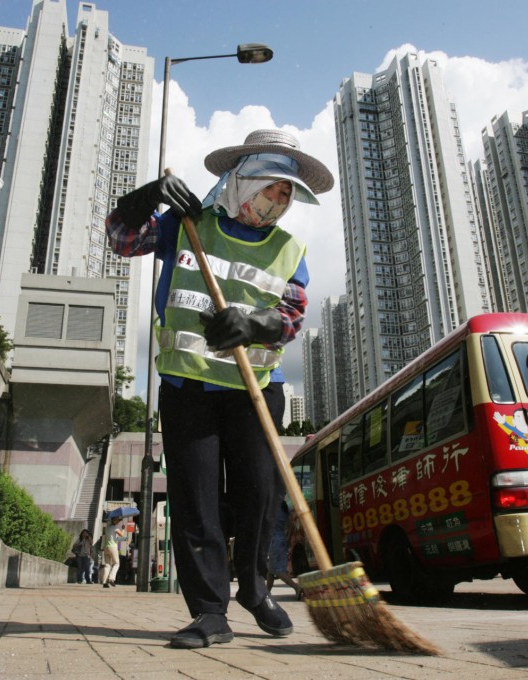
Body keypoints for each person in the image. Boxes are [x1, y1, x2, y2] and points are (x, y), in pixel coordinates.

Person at [106, 129, 333, 649]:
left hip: (255, 390)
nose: (278, 202)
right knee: (196, 500)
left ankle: (256, 588)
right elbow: (121, 239)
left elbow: (292, 318)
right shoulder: (187, 225)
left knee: (259, 494)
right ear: (243, 181)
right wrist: (146, 198)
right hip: (189, 389)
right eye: (272, 188)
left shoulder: (289, 248)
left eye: (287, 194)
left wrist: (256, 324)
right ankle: (210, 611)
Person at [264, 499, 302, 600]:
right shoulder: (285, 507)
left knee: (277, 570)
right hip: (281, 538)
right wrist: (288, 538)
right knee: (271, 569)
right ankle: (266, 594)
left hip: (273, 540)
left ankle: (296, 587)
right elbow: (292, 525)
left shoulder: (271, 507)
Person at [100, 515, 126, 588]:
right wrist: (123, 529)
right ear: (113, 520)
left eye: (118, 520)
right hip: (113, 547)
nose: (118, 521)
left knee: (107, 565)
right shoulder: (115, 528)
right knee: (117, 563)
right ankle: (111, 578)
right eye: (116, 520)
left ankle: (104, 582)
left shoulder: (107, 528)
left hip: (106, 547)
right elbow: (121, 535)